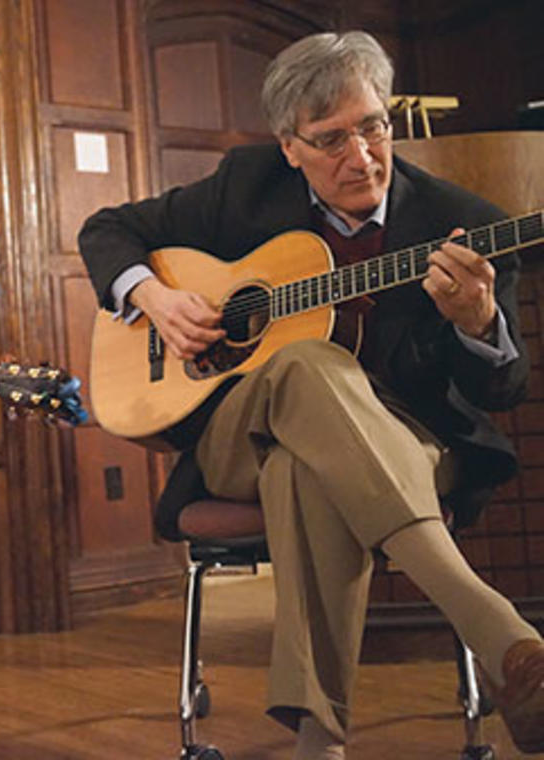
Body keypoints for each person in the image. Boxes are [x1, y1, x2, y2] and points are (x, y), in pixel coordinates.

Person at [78, 30, 544, 758]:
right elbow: (107, 228)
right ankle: (504, 638)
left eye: (372, 128)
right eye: (330, 139)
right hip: (237, 432)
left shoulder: (466, 223)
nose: (360, 156)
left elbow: (504, 388)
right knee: (305, 366)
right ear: (288, 146)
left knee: (305, 467)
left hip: (413, 445)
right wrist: (154, 300)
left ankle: (319, 744)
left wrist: (480, 323)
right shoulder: (246, 183)